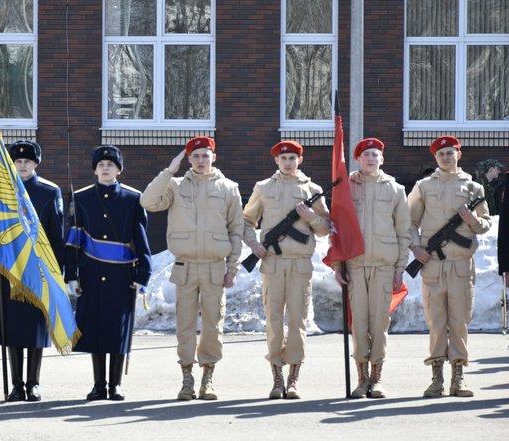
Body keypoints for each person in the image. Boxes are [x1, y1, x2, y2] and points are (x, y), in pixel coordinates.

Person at [140, 136, 243, 401]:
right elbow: (147, 202)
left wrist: (232, 268)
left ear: (213, 157)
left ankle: (208, 377)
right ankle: (187, 378)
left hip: (214, 267)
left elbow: (235, 230)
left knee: (212, 324)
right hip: (185, 266)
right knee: (184, 325)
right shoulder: (174, 186)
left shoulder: (229, 188)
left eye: (204, 155)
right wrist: (168, 171)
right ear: (188, 159)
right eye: (195, 156)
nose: (200, 160)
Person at [241, 140, 329, 400]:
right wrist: (254, 243)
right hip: (272, 263)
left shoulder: (312, 189)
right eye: (284, 158)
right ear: (276, 161)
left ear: (300, 160)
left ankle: (294, 377)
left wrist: (311, 217)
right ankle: (276, 376)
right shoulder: (264, 188)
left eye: (293, 158)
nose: (288, 162)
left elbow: (325, 228)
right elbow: (247, 220)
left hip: (300, 264)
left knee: (298, 321)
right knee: (274, 321)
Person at [66, 145, 152, 401]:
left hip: (121, 275)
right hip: (91, 272)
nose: (105, 168)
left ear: (119, 169)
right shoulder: (81, 198)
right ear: (95, 169)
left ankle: (115, 384)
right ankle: (98, 384)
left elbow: (141, 238)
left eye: (110, 165)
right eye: (101, 165)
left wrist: (142, 274)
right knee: (94, 329)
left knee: (117, 329)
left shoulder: (132, 198)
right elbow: (73, 238)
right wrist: (71, 273)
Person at [407, 135, 491, 398]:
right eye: (441, 154)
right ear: (435, 158)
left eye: (450, 152)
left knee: (459, 321)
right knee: (436, 321)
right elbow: (409, 222)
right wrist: (416, 248)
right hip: (432, 264)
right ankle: (436, 378)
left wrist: (472, 221)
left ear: (458, 155)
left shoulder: (473, 188)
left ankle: (458, 377)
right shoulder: (423, 186)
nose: (445, 157)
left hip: (461, 264)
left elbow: (486, 222)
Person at [332, 138, 411, 399]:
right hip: (355, 264)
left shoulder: (395, 189)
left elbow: (403, 231)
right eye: (366, 154)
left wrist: (400, 267)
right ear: (358, 159)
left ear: (382, 159)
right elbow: (337, 229)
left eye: (375, 154)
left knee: (379, 323)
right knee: (359, 323)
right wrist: (336, 264)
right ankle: (361, 378)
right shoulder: (345, 187)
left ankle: (377, 378)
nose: (371, 158)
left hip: (383, 264)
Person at [0, 140, 64, 402]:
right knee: (12, 330)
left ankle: (33, 383)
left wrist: (56, 272)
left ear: (36, 164)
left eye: (27, 161)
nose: (22, 165)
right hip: (9, 271)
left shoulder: (48, 192)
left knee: (34, 328)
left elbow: (56, 235)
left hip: (36, 270)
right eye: (18, 161)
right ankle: (16, 383)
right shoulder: (1, 191)